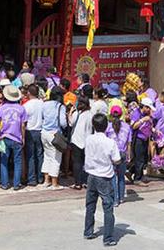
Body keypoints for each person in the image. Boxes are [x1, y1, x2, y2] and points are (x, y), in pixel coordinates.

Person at [83, 113, 121, 247]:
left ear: (94, 125)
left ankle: (88, 231)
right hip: (104, 176)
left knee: (90, 205)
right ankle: (108, 238)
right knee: (108, 207)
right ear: (106, 126)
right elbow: (117, 160)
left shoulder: (88, 139)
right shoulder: (110, 142)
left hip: (91, 175)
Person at [0, 84, 27, 190]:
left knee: (4, 161)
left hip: (4, 137)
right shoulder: (21, 109)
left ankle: (4, 184)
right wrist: (23, 138)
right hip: (17, 137)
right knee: (17, 161)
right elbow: (22, 125)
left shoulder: (2, 108)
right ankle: (16, 184)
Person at [40, 86, 68, 188]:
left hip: (44, 133)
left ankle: (46, 180)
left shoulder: (44, 104)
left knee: (47, 156)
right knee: (56, 158)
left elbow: (42, 118)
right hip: (54, 134)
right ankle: (54, 183)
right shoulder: (60, 106)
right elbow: (63, 123)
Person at [106, 105, 132, 206]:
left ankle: (115, 200)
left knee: (113, 177)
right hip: (123, 153)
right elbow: (129, 143)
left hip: (112, 154)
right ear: (121, 115)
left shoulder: (108, 126)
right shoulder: (127, 126)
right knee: (121, 177)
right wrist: (129, 155)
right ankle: (121, 198)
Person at [69, 95, 93, 190]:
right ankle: (85, 182)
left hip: (76, 141)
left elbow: (71, 123)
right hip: (87, 141)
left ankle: (77, 183)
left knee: (77, 162)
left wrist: (70, 113)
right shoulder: (91, 114)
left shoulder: (77, 114)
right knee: (85, 162)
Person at [22, 83, 44, 187]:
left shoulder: (26, 105)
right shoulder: (42, 104)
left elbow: (24, 122)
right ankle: (40, 177)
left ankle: (32, 178)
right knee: (39, 155)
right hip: (40, 130)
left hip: (30, 131)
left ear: (29, 93)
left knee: (30, 156)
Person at [130, 97, 153, 184]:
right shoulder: (137, 113)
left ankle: (133, 172)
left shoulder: (147, 115)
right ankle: (137, 178)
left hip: (145, 138)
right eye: (148, 108)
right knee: (139, 158)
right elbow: (133, 126)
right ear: (144, 107)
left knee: (143, 158)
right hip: (138, 139)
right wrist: (142, 120)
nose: (149, 110)